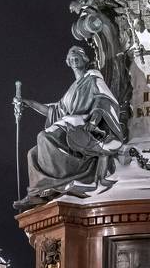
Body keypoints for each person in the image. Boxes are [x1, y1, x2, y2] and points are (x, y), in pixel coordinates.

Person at [15, 45, 124, 209]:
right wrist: (29, 103)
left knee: (43, 137)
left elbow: (104, 100)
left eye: (77, 55)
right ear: (68, 61)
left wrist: (93, 122)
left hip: (80, 125)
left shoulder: (93, 77)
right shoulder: (72, 88)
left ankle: (57, 184)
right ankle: (37, 192)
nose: (74, 58)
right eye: (71, 56)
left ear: (85, 59)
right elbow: (54, 111)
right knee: (33, 153)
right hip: (68, 124)